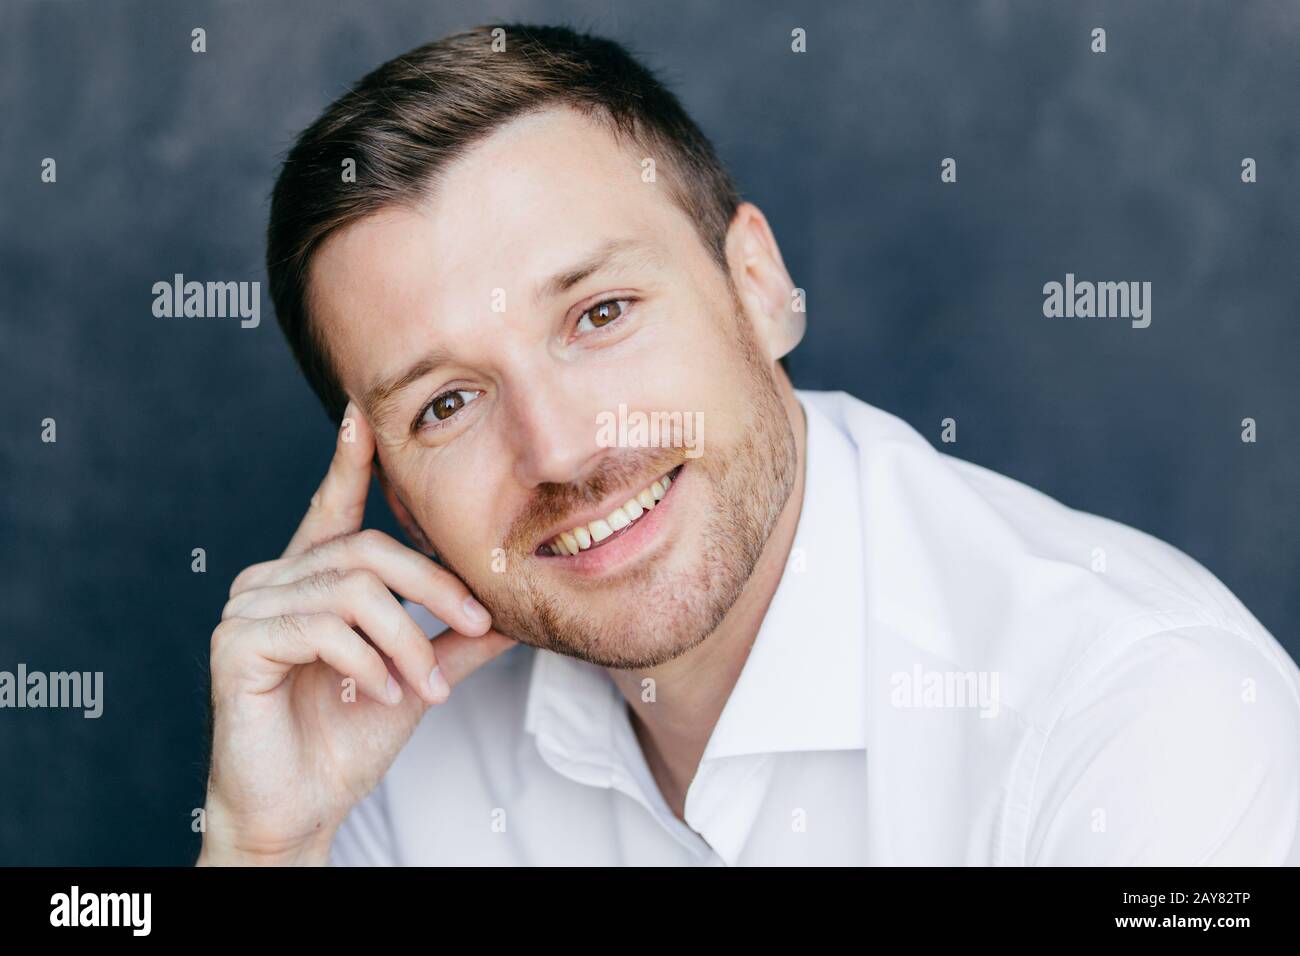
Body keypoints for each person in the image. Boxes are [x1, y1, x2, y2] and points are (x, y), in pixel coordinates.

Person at [197, 24, 1300, 866]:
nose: (565, 450)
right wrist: (261, 847)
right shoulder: (375, 726)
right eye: (446, 403)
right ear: (390, 490)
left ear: (759, 286)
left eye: (600, 313)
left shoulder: (1145, 714)